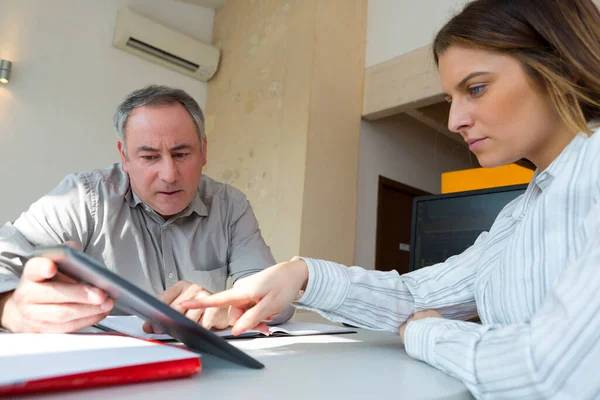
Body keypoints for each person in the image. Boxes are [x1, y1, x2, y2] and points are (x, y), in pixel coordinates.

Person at [181, 0, 600, 398]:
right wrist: (301, 275)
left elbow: (551, 374)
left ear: (556, 64)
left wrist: (427, 333)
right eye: (451, 99)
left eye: (476, 88)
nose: (455, 121)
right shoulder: (522, 211)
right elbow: (418, 297)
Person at [0, 85, 293, 333]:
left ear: (203, 151)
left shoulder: (230, 207)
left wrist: (227, 308)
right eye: (150, 157)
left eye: (181, 154)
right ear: (124, 157)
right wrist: (8, 306)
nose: (169, 174)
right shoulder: (82, 196)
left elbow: (278, 301)